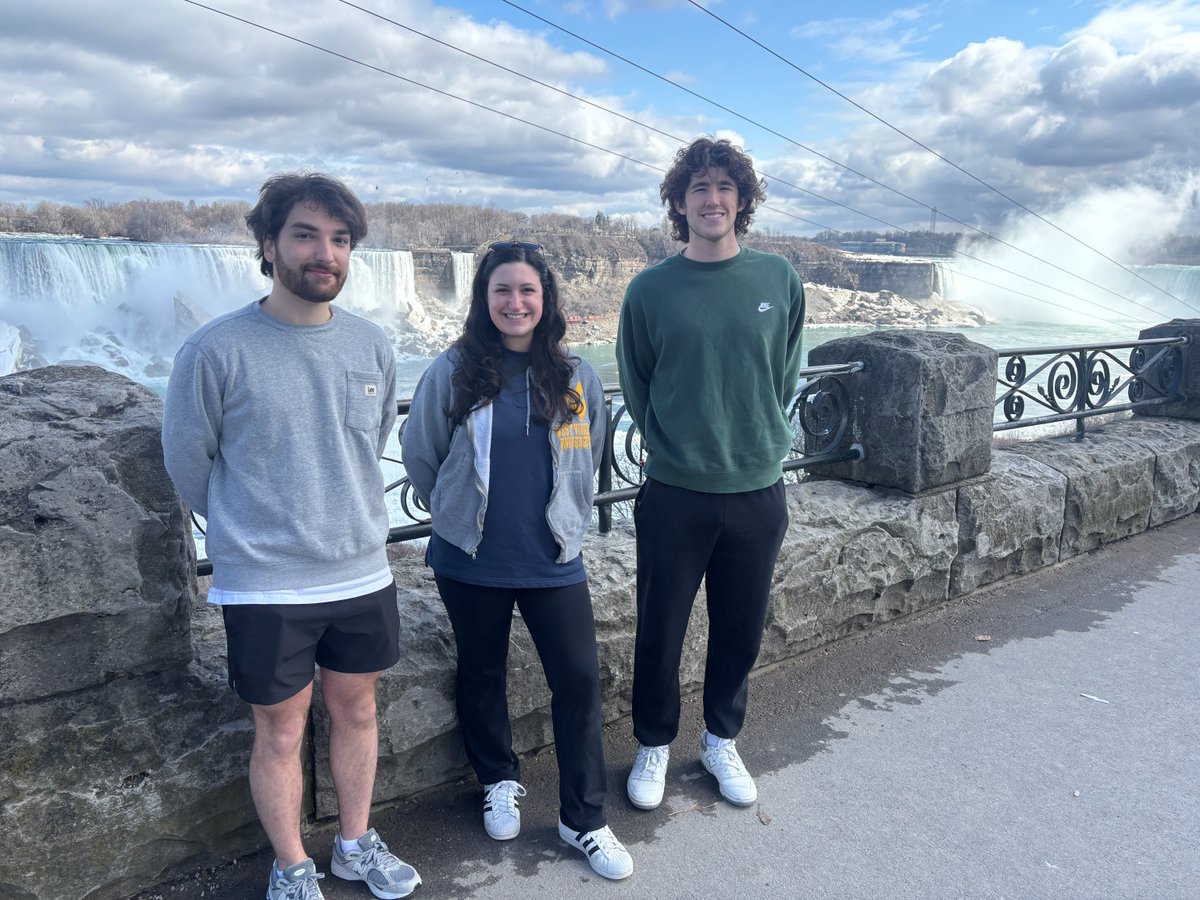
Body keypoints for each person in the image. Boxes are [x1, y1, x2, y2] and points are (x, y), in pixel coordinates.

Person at [161, 173, 421, 900]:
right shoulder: (216, 350)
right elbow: (188, 461)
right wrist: (248, 533)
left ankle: (353, 843)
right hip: (266, 581)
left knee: (358, 709)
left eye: (340, 240)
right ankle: (291, 864)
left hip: (362, 571)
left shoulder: (371, 343)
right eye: (306, 234)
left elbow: (369, 445)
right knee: (278, 732)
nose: (325, 253)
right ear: (269, 244)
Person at [401, 240, 633, 881]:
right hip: (470, 558)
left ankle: (584, 819)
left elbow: (591, 452)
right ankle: (498, 779)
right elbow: (422, 455)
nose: (515, 301)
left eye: (527, 290)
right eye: (502, 289)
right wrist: (453, 511)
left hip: (554, 557)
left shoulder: (577, 376)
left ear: (545, 299)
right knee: (482, 672)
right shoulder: (452, 371)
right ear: (484, 299)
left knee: (580, 680)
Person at [616, 137, 805, 812]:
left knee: (741, 627)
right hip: (675, 491)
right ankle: (654, 744)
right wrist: (678, 443)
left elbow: (784, 373)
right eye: (698, 187)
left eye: (725, 186)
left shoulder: (778, 279)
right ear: (679, 203)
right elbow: (637, 384)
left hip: (756, 487)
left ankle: (722, 738)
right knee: (660, 627)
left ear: (742, 200)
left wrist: (754, 437)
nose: (712, 198)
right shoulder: (649, 290)